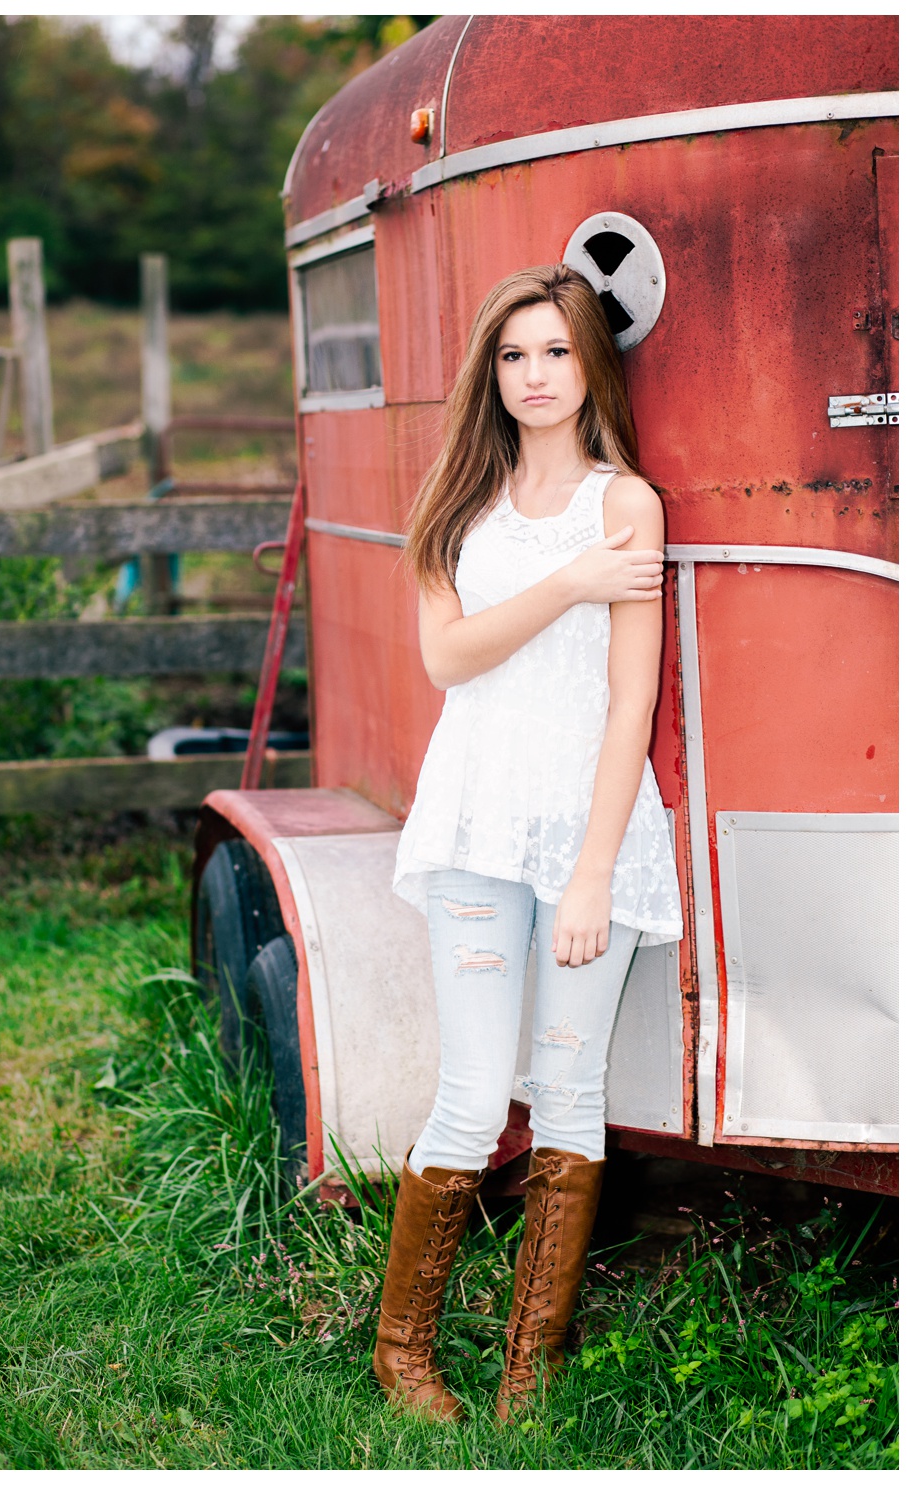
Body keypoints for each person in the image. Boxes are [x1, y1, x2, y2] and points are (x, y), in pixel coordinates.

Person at [372, 263, 683, 1423]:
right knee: (468, 1094)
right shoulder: (458, 505)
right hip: (472, 825)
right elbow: (449, 661)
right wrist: (567, 585)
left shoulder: (626, 506)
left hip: (586, 833)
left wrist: (595, 867)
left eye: (556, 352)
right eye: (513, 355)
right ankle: (402, 1354)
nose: (535, 376)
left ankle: (527, 1369)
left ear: (589, 365)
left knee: (567, 1092)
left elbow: (627, 702)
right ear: (488, 374)